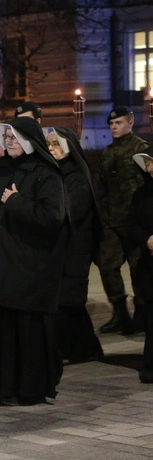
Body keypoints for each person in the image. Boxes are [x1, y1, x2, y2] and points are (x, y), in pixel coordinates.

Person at [0, 117, 69, 406]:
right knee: (0, 329)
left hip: (28, 268)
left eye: (14, 138)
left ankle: (29, 389)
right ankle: (0, 386)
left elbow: (53, 218)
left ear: (28, 141)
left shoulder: (46, 173)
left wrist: (16, 202)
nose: (9, 143)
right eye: (7, 138)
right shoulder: (0, 170)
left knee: (25, 331)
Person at [45, 128, 104, 363]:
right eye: (48, 144)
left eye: (55, 144)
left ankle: (82, 348)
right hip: (61, 250)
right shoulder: (55, 174)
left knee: (69, 303)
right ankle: (82, 348)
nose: (51, 148)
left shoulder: (78, 178)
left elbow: (70, 213)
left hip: (75, 250)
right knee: (67, 303)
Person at [95, 106, 149, 334]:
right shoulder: (108, 152)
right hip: (112, 221)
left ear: (130, 123)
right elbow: (101, 186)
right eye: (111, 124)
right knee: (107, 266)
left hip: (134, 223)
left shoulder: (141, 149)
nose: (113, 127)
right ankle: (120, 313)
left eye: (118, 123)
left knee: (139, 271)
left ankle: (142, 315)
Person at [126, 147, 153, 383]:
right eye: (146, 163)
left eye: (150, 162)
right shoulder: (141, 194)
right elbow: (131, 225)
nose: (148, 167)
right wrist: (147, 240)